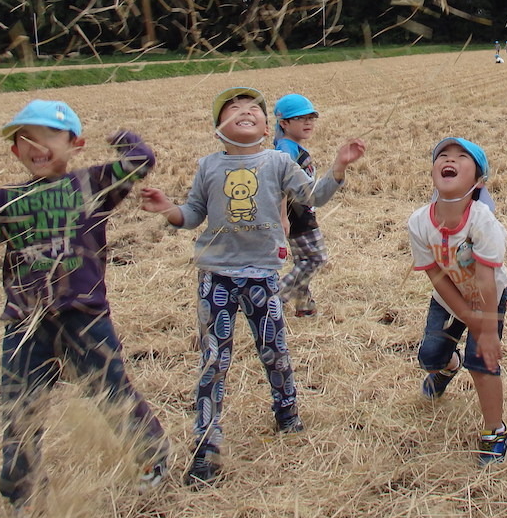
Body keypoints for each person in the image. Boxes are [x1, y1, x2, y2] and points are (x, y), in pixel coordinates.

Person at [0, 100, 168, 518]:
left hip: (83, 315)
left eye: (48, 135)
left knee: (112, 393)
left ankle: (151, 457)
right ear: (15, 152)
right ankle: (23, 496)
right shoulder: (7, 200)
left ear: (74, 144)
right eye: (23, 138)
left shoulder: (92, 184)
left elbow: (140, 162)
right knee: (19, 411)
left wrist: (121, 137)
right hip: (24, 323)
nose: (35, 145)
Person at [139, 87, 365, 487]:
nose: (245, 112)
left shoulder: (279, 161)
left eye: (253, 110)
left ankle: (287, 412)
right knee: (213, 359)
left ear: (267, 126)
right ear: (217, 128)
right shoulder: (207, 166)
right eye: (233, 108)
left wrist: (338, 167)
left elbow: (313, 196)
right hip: (216, 275)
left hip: (262, 273)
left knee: (273, 350)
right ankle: (206, 444)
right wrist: (168, 209)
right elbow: (192, 215)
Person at [411, 137, 507, 465]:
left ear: (478, 180)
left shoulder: (483, 221)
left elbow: (485, 279)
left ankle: (496, 431)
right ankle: (446, 367)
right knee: (430, 356)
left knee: (482, 362)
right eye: (442, 155)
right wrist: (465, 315)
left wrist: (485, 330)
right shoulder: (419, 223)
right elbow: (437, 275)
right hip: (448, 296)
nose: (449, 159)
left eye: (461, 157)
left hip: (488, 296)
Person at [273, 93, 330, 317]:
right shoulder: (285, 149)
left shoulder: (290, 146)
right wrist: (283, 217)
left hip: (298, 212)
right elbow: (279, 183)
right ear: (283, 123)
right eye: (300, 118)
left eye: (311, 117)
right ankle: (274, 299)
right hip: (296, 214)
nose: (308, 123)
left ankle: (305, 308)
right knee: (315, 258)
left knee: (302, 260)